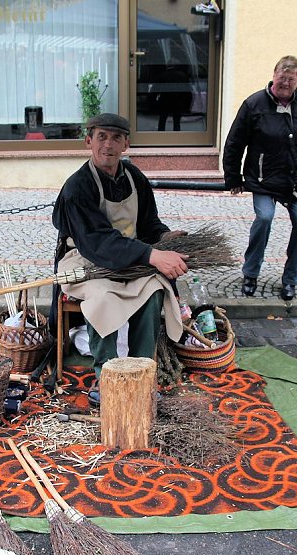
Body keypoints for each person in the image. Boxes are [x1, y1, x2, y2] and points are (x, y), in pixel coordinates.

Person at [52, 113, 188, 381]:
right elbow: (96, 242)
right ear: (88, 141)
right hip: (83, 259)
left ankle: (142, 370)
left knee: (153, 290)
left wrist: (164, 237)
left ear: (126, 144)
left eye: (116, 138)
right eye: (101, 137)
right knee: (103, 297)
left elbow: (149, 223)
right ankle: (108, 375)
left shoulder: (134, 177)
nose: (108, 145)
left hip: (130, 256)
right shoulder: (77, 187)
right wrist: (151, 254)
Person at [222, 55, 297, 301]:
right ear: (274, 75)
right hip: (263, 179)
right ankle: (250, 273)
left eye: (291, 80)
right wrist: (233, 177)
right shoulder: (254, 104)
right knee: (264, 217)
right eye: (282, 78)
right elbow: (235, 142)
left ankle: (290, 279)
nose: (285, 84)